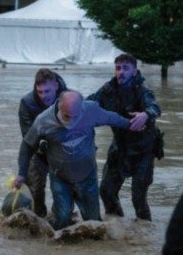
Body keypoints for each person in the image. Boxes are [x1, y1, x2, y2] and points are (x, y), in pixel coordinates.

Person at [14, 91, 133, 230]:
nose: (70, 121)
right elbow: (27, 145)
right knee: (62, 221)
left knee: (94, 224)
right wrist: (22, 173)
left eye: (75, 117)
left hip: (87, 176)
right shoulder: (43, 120)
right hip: (60, 178)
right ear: (59, 105)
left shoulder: (90, 110)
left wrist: (130, 124)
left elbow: (111, 117)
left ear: (82, 107)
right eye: (66, 116)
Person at [87, 53, 161, 221]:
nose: (121, 72)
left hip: (143, 150)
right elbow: (87, 104)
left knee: (138, 197)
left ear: (135, 71)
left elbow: (155, 107)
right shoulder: (108, 90)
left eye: (126, 68)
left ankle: (144, 234)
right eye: (118, 68)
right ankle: (116, 226)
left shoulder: (143, 91)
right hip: (119, 148)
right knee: (106, 191)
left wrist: (145, 115)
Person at [18, 68, 67, 217]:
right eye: (40, 92)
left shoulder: (70, 99)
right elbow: (27, 138)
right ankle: (40, 222)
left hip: (63, 152)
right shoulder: (27, 103)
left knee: (64, 190)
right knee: (36, 190)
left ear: (56, 87)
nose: (43, 96)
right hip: (38, 150)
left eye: (47, 91)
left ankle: (60, 219)